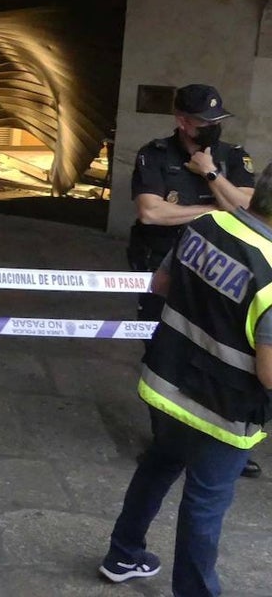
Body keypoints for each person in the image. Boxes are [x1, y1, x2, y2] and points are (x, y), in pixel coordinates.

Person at [99, 161, 272, 595]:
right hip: (224, 409)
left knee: (158, 465)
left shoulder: (209, 223)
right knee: (205, 504)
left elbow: (160, 284)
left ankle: (123, 553)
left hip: (168, 382)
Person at [127, 83, 259, 478]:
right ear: (183, 122)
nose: (214, 127)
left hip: (220, 272)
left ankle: (219, 442)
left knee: (217, 356)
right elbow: (151, 215)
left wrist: (211, 174)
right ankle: (167, 443)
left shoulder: (232, 158)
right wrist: (215, 210)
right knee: (162, 351)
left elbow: (250, 211)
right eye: (206, 121)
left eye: (218, 120)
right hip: (165, 267)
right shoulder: (153, 155)